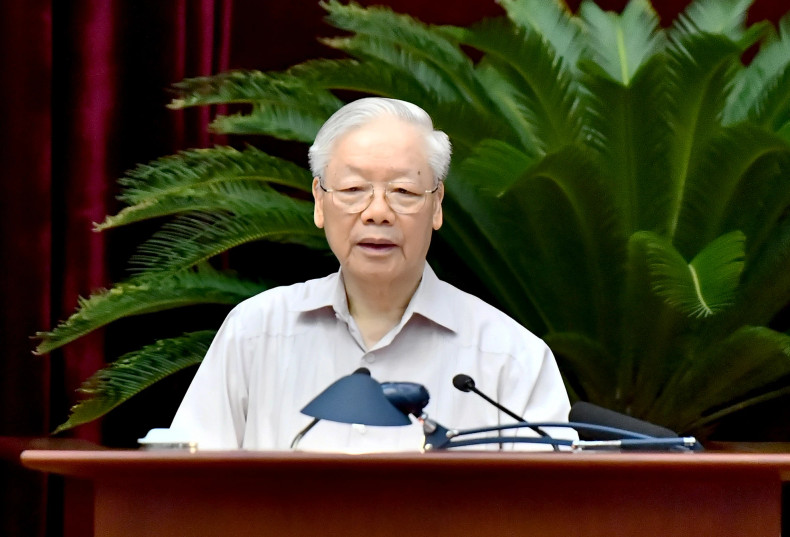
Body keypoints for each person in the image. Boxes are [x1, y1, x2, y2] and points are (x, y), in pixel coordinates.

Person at [169, 97, 574, 452]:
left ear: (436, 207)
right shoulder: (255, 334)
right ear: (319, 202)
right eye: (353, 190)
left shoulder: (512, 358)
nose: (377, 212)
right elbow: (185, 490)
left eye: (403, 192)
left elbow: (550, 512)